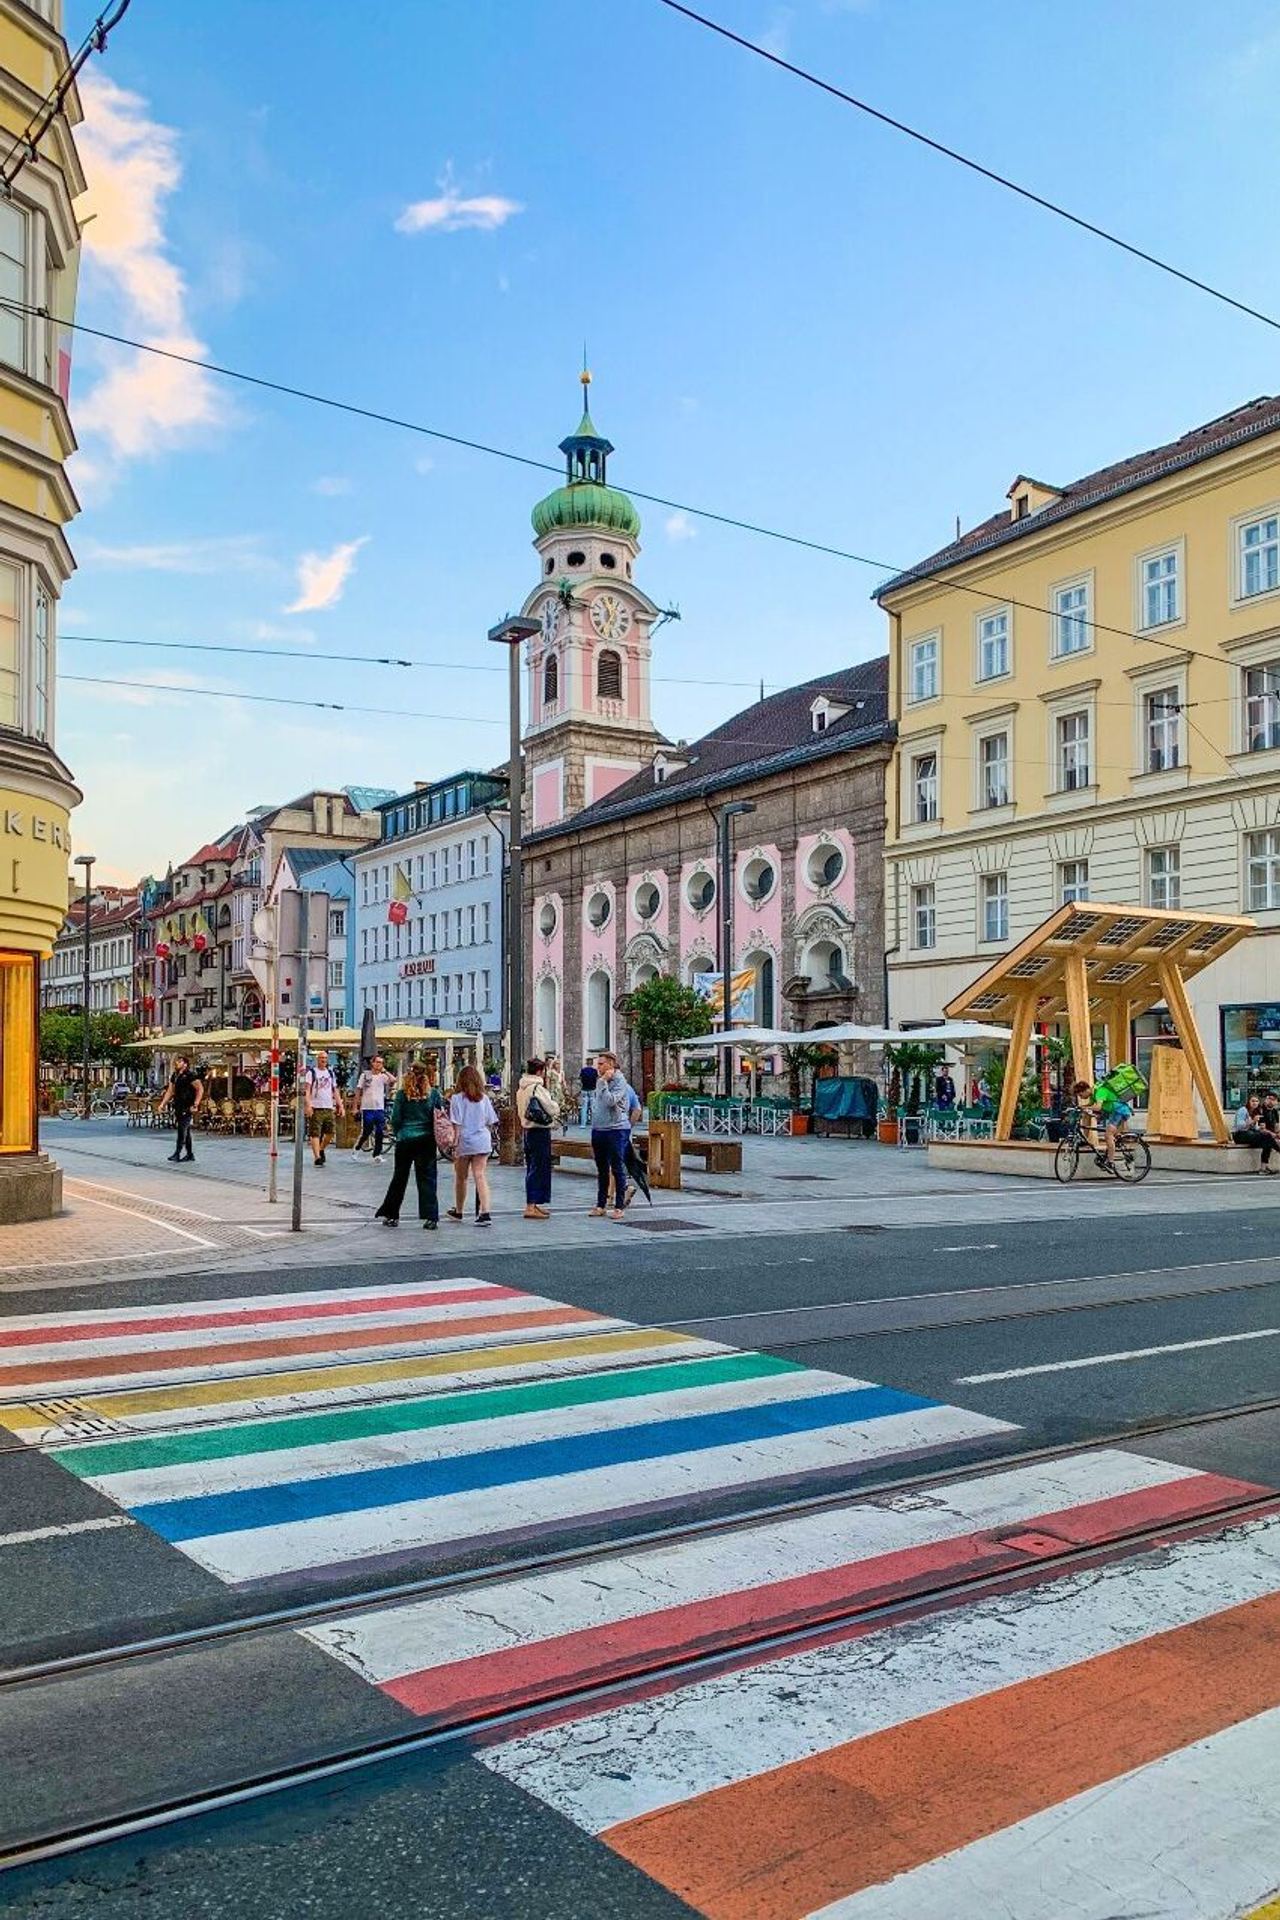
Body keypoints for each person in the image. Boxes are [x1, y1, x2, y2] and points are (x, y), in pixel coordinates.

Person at [375, 1058, 444, 1228]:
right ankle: (431, 1217)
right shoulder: (433, 1094)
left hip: (405, 1139)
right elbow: (439, 1115)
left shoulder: (401, 1094)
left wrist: (398, 1132)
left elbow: (395, 1118)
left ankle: (392, 1215)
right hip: (426, 1140)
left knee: (399, 1177)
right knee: (427, 1178)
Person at [589, 1049, 639, 1221]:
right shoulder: (600, 1080)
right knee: (601, 1168)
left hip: (616, 1129)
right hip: (599, 1129)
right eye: (598, 1064)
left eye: (601, 1064)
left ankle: (618, 1206)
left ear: (610, 1065)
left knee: (617, 1168)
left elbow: (610, 1101)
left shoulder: (620, 1081)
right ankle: (600, 1204)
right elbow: (598, 1102)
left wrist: (603, 1082)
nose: (598, 1067)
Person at [447, 1063, 498, 1225]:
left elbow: (457, 1123)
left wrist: (454, 1144)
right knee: (480, 1175)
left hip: (465, 1141)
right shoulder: (484, 1098)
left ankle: (459, 1211)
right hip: (482, 1140)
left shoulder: (456, 1099)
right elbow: (491, 1121)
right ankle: (485, 1212)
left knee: (461, 1178)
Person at [516, 1057, 560, 1219]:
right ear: (540, 1071)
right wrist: (556, 1106)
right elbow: (551, 1107)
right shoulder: (537, 1088)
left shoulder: (521, 1088)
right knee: (538, 1168)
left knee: (532, 1167)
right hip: (539, 1131)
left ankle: (533, 1203)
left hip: (527, 1130)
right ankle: (531, 1205)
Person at [1074, 1076, 1132, 1170]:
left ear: (1086, 1090)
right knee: (1086, 1115)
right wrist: (1080, 1107)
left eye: (1081, 1095)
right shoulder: (1093, 1095)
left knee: (1108, 1135)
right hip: (1110, 1111)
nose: (1081, 1097)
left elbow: (1098, 1107)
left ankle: (1111, 1162)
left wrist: (1086, 1108)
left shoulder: (1100, 1091)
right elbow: (1090, 1105)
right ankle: (1085, 1139)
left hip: (1119, 1111)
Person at [158, 1054, 203, 1162]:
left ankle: (177, 1153)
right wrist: (163, 1104)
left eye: (179, 1061)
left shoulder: (190, 1075)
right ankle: (190, 1154)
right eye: (176, 1061)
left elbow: (200, 1089)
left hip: (188, 1106)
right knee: (185, 1131)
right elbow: (170, 1091)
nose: (176, 1063)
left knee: (181, 1130)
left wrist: (196, 1103)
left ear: (185, 1064)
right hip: (178, 1105)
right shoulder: (175, 1075)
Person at [304, 1049, 345, 1166]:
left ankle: (321, 1149)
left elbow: (335, 1091)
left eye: (325, 1058)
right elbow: (307, 1090)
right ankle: (317, 1157)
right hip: (316, 1107)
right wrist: (308, 1105)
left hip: (328, 1107)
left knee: (330, 1133)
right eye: (321, 1058)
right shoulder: (311, 1073)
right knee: (315, 1133)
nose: (323, 1060)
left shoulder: (330, 1073)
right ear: (317, 1059)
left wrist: (340, 1105)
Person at [353, 1053, 395, 1159]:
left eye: (380, 1062)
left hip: (379, 1107)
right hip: (367, 1107)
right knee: (367, 1130)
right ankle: (357, 1147)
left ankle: (377, 1154)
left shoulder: (383, 1077)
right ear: (372, 1063)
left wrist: (385, 1071)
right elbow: (358, 1090)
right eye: (377, 1062)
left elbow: (393, 1080)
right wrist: (355, 1106)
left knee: (380, 1131)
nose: (378, 1064)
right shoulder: (365, 1075)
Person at [1232, 1092, 1278, 1173]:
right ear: (1248, 1102)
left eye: (1256, 1101)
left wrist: (1259, 1127)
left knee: (1268, 1140)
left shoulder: (1255, 1112)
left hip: (1250, 1134)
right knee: (1267, 1137)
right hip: (1239, 1135)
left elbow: (1255, 1128)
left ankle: (1264, 1168)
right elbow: (1239, 1126)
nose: (1255, 1103)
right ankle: (1264, 1167)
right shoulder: (1243, 1110)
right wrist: (1253, 1121)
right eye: (1252, 1101)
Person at [543, 1052, 570, 1135]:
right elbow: (547, 1082)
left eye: (559, 1064)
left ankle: (561, 1122)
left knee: (562, 1106)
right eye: (556, 1064)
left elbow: (563, 1082)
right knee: (553, 1106)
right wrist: (547, 1092)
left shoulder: (561, 1072)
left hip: (559, 1091)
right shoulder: (550, 1072)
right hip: (553, 1090)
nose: (558, 1065)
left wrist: (566, 1090)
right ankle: (553, 1122)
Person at [579, 1058, 598, 1127]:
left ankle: (583, 1124)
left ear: (586, 1063)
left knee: (584, 1107)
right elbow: (596, 1079)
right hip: (592, 1089)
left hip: (584, 1089)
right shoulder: (595, 1071)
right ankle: (593, 1124)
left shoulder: (583, 1070)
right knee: (593, 1107)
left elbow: (581, 1079)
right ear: (592, 1063)